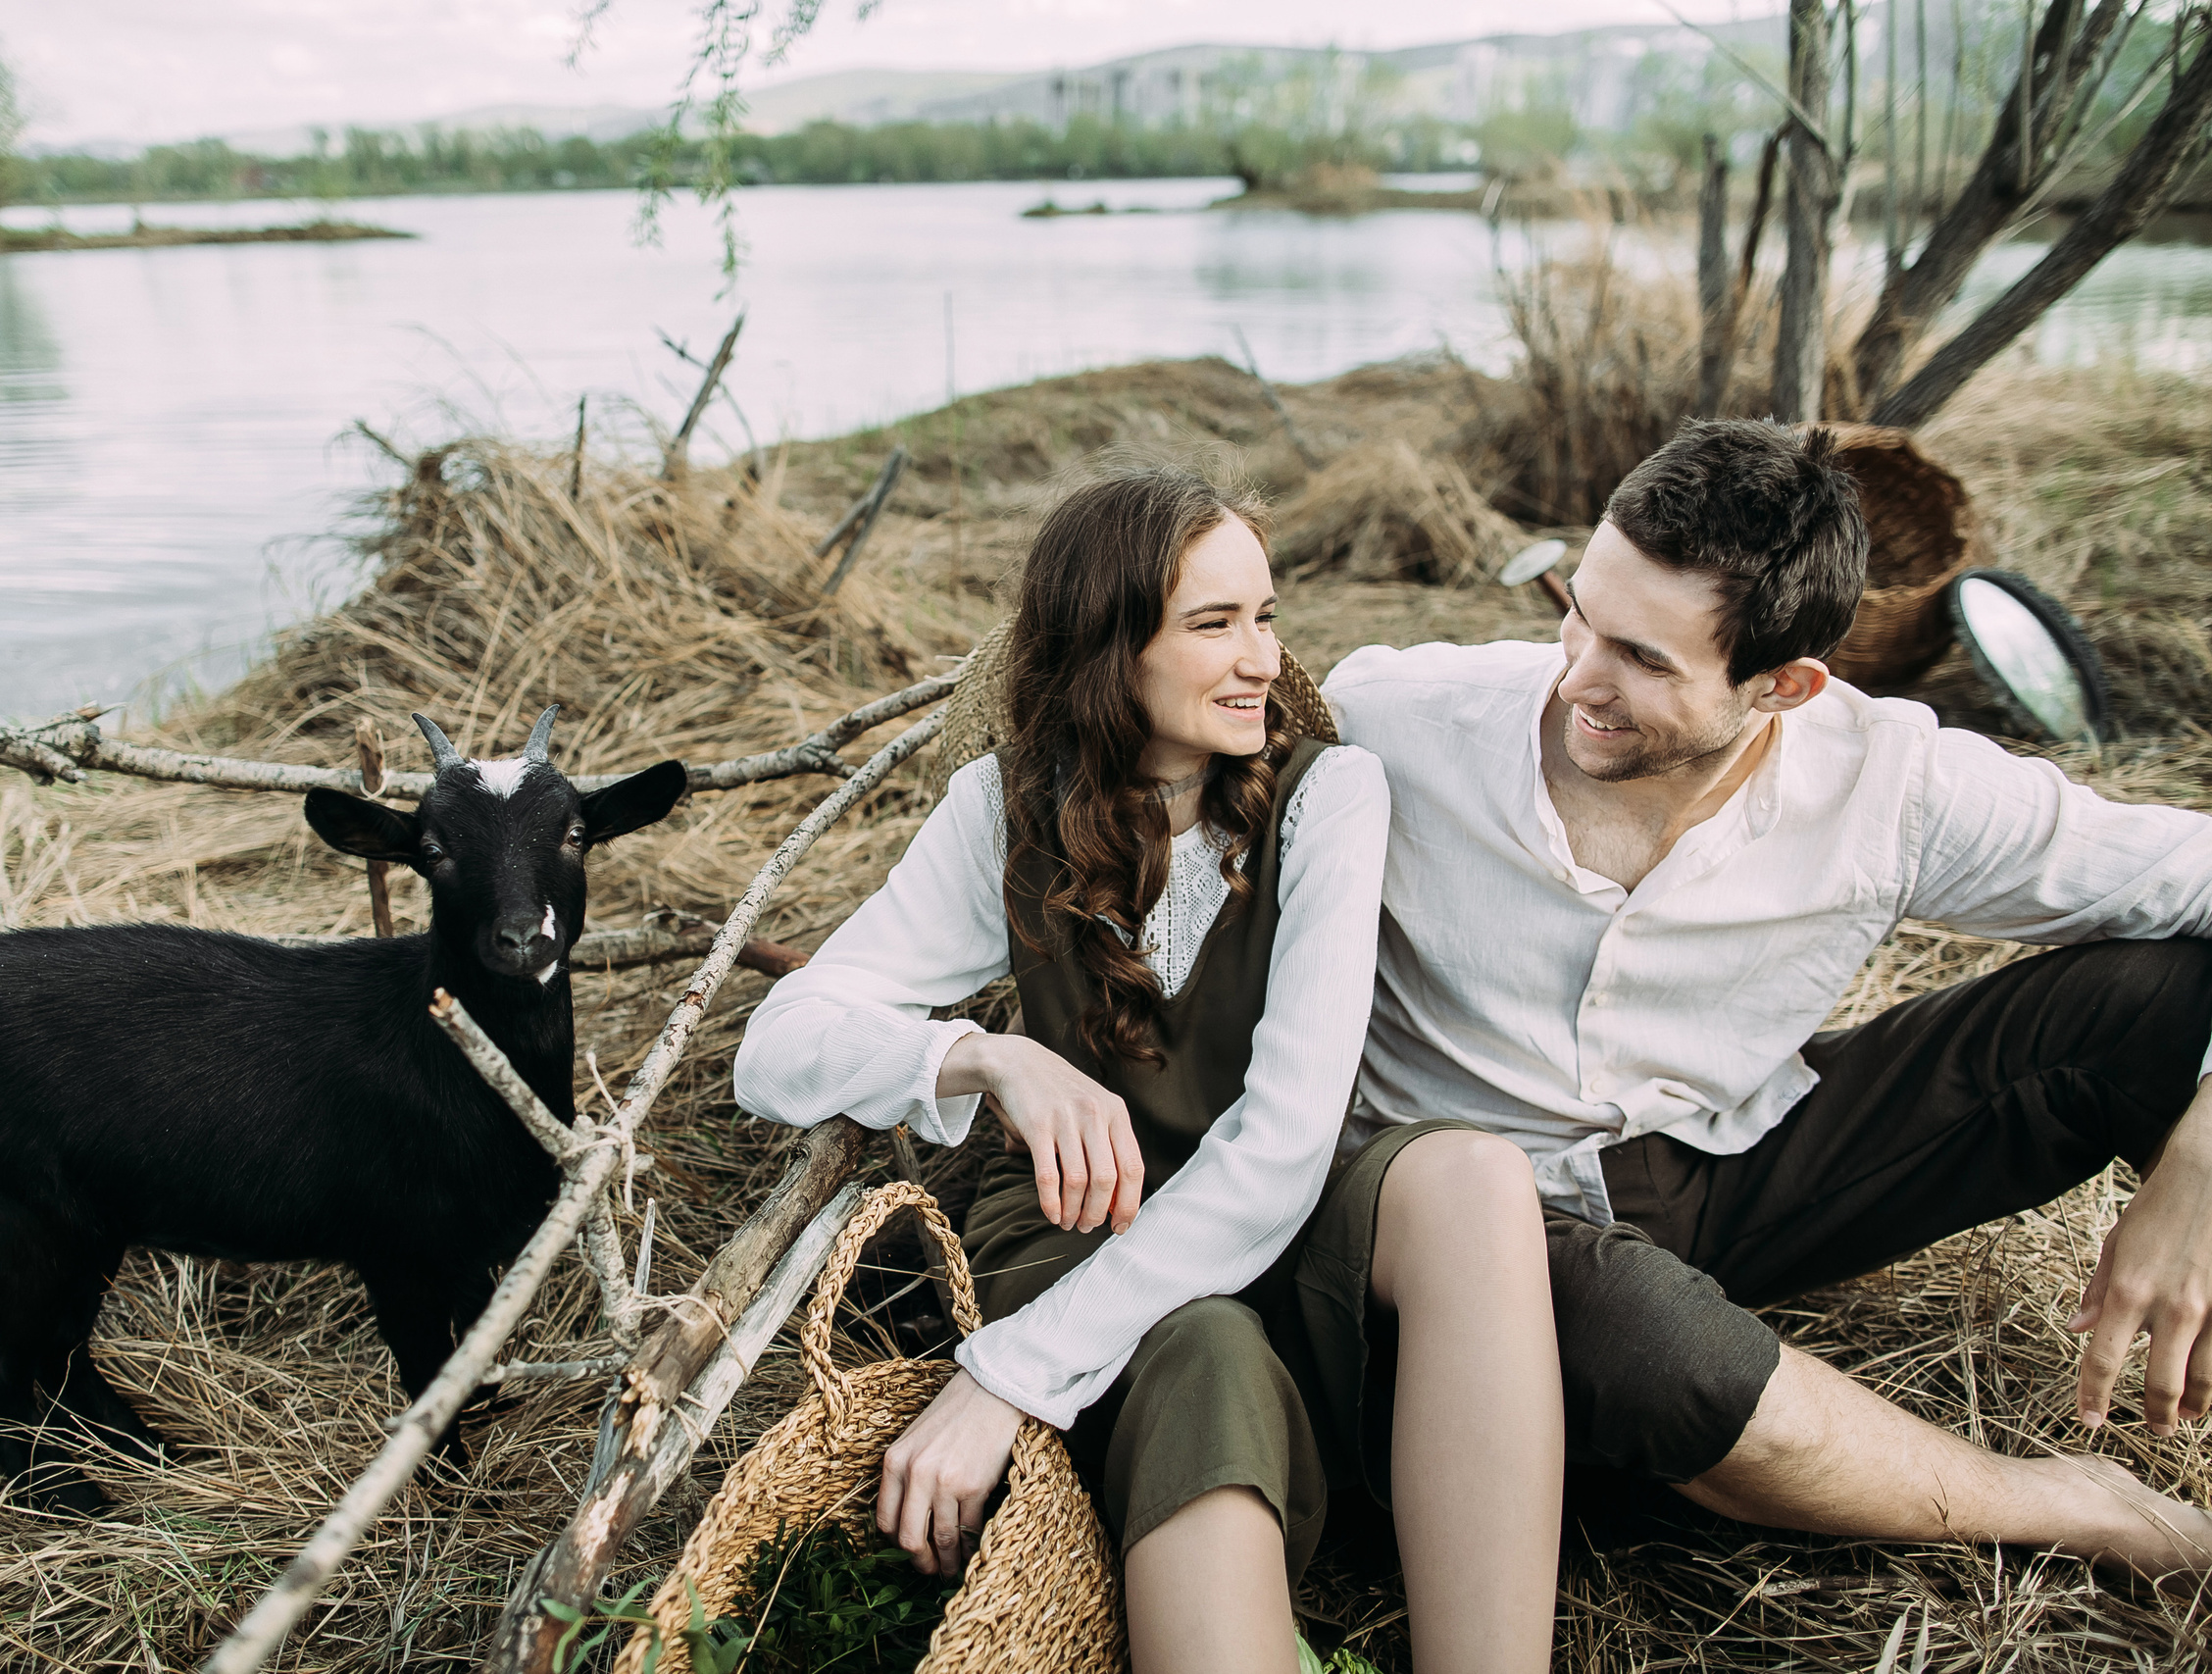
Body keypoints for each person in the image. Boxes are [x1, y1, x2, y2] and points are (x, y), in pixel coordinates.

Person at [1323, 417, 2212, 1573]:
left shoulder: (1893, 782)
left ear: (1786, 684)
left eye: (1643, 660)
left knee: (2160, 1001)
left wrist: (2201, 1157)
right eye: (1580, 617)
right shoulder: (1385, 720)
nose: (1578, 677)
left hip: (1711, 1166)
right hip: (1447, 1224)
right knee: (1648, 1339)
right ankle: (2062, 1502)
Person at [734, 467, 1567, 1674]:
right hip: (1088, 1225)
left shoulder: (1329, 796)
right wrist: (986, 1056)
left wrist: (1002, 1379)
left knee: (1472, 1185)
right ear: (1108, 650)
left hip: (1282, 1216)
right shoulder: (1004, 810)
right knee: (1204, 1350)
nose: (1263, 661)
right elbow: (779, 1045)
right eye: (1213, 625)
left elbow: (1282, 1152)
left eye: (1267, 617)